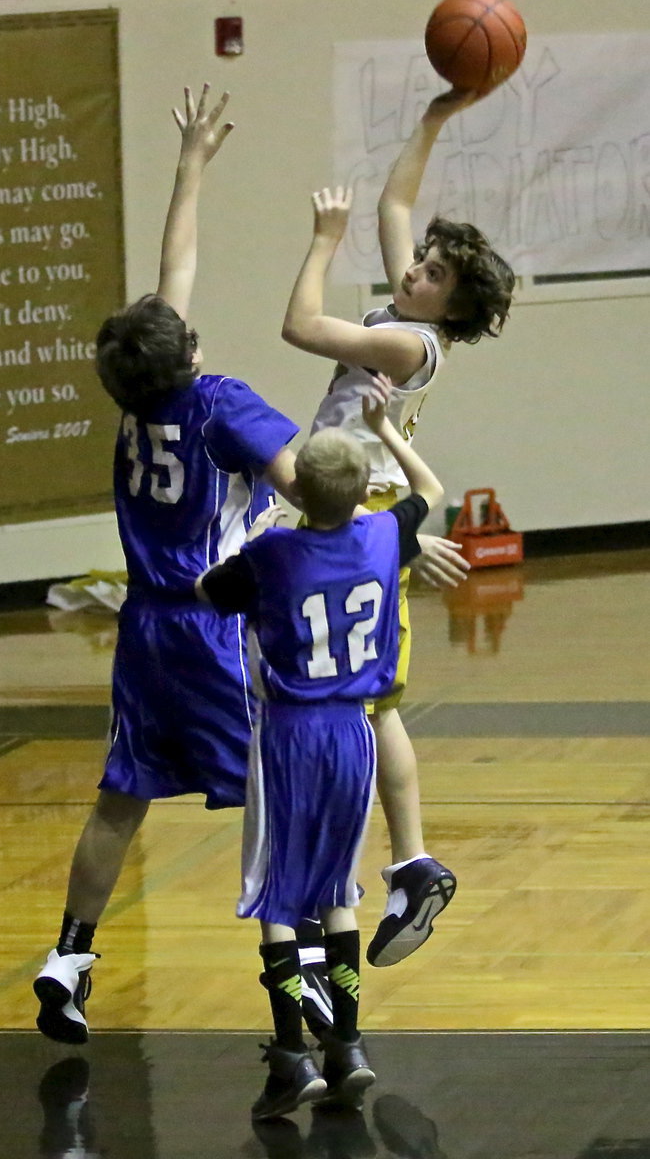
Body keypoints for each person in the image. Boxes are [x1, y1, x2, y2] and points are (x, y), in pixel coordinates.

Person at [32, 84, 314, 1045]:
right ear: (189, 352)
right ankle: (299, 983)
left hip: (142, 629)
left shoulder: (137, 396)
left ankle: (68, 955)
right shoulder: (220, 402)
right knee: (273, 790)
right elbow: (303, 480)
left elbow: (169, 277)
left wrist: (191, 166)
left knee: (122, 797)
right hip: (212, 626)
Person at [281, 89, 515, 968]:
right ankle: (388, 861)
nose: (412, 269)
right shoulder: (403, 316)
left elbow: (300, 325)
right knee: (350, 696)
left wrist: (320, 246)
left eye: (431, 275)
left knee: (371, 702)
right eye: (419, 263)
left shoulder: (412, 346)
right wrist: (438, 116)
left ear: (450, 309)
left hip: (361, 522)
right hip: (347, 516)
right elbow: (395, 204)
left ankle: (408, 860)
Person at [196, 371, 444, 1120]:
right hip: (355, 733)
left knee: (277, 891)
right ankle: (350, 1046)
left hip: (289, 737)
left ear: (298, 491)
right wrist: (390, 428)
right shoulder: (381, 533)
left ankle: (291, 1056)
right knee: (336, 889)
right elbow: (429, 487)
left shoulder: (272, 557)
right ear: (363, 488)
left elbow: (211, 592)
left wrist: (258, 526)